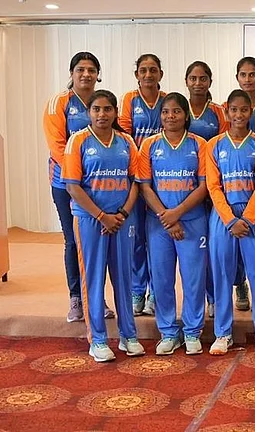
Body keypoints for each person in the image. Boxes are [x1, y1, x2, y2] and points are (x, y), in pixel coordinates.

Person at [62, 89, 145, 362]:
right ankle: (97, 339)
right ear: (89, 112)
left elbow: (136, 181)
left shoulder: (126, 142)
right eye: (96, 109)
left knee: (124, 278)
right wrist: (101, 216)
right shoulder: (78, 141)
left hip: (122, 219)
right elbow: (73, 187)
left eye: (107, 109)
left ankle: (128, 335)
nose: (102, 114)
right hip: (90, 221)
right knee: (94, 280)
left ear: (114, 112)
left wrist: (121, 213)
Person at [43, 51, 115, 322]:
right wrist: (77, 178)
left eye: (91, 70)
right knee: (74, 241)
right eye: (81, 69)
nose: (86, 74)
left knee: (99, 241)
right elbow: (58, 146)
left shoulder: (102, 102)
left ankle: (97, 299)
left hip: (100, 184)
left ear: (98, 74)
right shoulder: (59, 102)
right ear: (71, 73)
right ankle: (76, 298)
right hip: (66, 184)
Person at [137, 93, 209, 356]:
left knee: (193, 279)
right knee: (162, 280)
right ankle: (168, 331)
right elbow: (145, 186)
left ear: (186, 115)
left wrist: (177, 213)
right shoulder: (149, 145)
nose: (171, 116)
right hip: (159, 224)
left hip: (192, 222)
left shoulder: (199, 144)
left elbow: (204, 186)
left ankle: (192, 332)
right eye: (166, 112)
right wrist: (166, 218)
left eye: (177, 111)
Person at [206, 90, 255, 356]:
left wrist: (248, 217)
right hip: (224, 218)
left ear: (251, 112)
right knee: (222, 274)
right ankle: (223, 333)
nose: (239, 115)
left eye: (244, 110)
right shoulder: (214, 145)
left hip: (253, 218)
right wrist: (230, 219)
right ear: (226, 112)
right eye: (234, 110)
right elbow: (213, 185)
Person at [183, 60, 241, 316]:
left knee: (220, 245)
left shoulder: (217, 111)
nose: (198, 83)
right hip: (190, 183)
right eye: (193, 78)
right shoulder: (180, 108)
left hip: (217, 181)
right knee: (202, 248)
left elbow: (224, 143)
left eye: (202, 78)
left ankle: (230, 289)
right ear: (186, 81)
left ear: (210, 81)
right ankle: (210, 296)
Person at [118, 53, 166, 317]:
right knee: (136, 239)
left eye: (153, 70)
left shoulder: (167, 100)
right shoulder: (129, 100)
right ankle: (138, 290)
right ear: (137, 74)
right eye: (143, 70)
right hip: (136, 179)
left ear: (161, 74)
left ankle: (156, 294)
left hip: (162, 180)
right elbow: (125, 134)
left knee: (158, 239)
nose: (148, 75)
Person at [225, 57, 255, 132]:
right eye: (243, 75)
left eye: (252, 75)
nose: (247, 80)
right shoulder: (226, 106)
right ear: (237, 77)